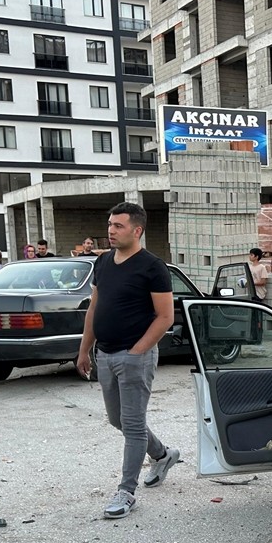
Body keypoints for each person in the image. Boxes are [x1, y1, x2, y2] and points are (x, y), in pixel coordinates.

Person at [76, 202, 179, 520]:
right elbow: (95, 307)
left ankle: (126, 492)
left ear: (137, 230)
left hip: (136, 357)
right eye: (110, 224)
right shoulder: (103, 262)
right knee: (118, 420)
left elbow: (165, 317)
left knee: (132, 425)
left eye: (118, 225)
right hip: (105, 354)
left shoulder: (152, 267)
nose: (111, 230)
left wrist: (138, 352)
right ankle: (162, 454)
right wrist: (84, 349)